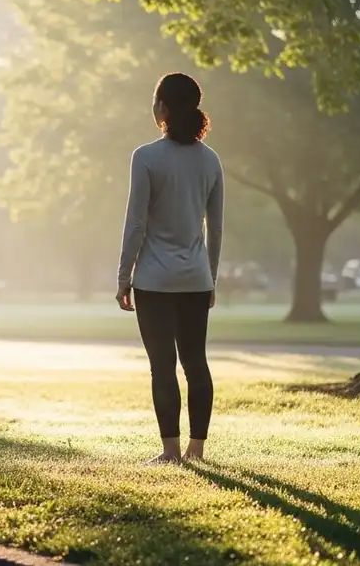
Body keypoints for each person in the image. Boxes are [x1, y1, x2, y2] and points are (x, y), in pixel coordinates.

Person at [116, 72, 224, 465]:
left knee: (162, 365)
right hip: (195, 279)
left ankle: (171, 451)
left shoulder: (145, 157)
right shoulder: (210, 160)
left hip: (154, 281)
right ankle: (197, 449)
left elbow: (136, 223)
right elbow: (216, 227)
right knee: (196, 362)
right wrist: (210, 278)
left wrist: (123, 277)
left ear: (161, 106)